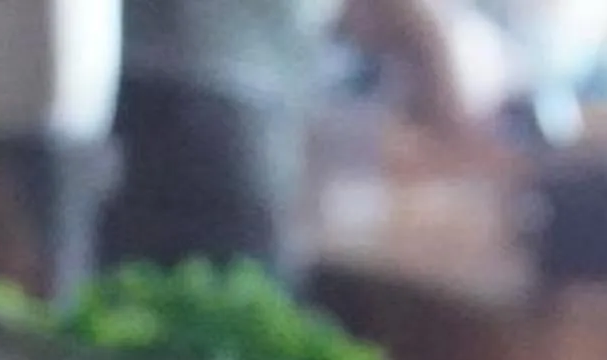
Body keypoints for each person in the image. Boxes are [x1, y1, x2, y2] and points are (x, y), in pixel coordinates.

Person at [103, 0, 506, 274]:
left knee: (127, 334)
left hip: (123, 89)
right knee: (233, 354)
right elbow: (413, 23)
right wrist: (454, 110)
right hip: (227, 116)